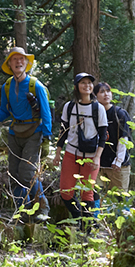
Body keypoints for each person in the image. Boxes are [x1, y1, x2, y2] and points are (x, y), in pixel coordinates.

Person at [0, 47, 53, 221]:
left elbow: (46, 113)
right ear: (9, 64)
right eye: (14, 59)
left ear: (27, 64)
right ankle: (22, 211)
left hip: (34, 133)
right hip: (14, 133)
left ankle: (43, 207)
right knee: (14, 174)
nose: (18, 62)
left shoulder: (36, 85)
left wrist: (46, 138)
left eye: (22, 59)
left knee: (27, 173)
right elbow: (5, 111)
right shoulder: (7, 86)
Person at [57, 72, 104, 224]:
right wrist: (58, 153)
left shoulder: (98, 108)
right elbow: (63, 131)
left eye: (89, 83)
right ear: (76, 86)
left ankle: (87, 227)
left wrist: (97, 157)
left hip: (91, 155)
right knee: (65, 191)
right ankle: (79, 218)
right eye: (83, 83)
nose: (87, 86)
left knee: (87, 193)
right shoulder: (69, 107)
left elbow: (103, 135)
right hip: (71, 153)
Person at [94, 82, 133, 195]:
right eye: (102, 92)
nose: (106, 94)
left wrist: (119, 160)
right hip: (99, 163)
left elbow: (124, 138)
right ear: (95, 95)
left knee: (119, 198)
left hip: (118, 165)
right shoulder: (94, 114)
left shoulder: (119, 113)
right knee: (96, 195)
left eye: (108, 91)